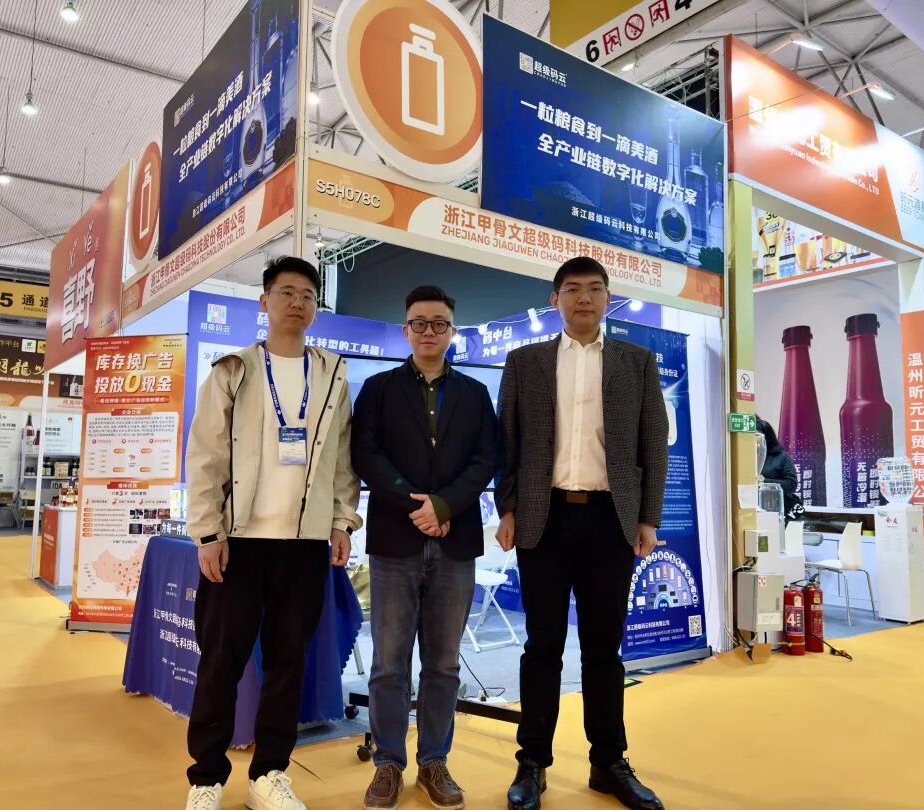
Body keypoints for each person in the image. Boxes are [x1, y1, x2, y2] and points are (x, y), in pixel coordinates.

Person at [183, 256, 362, 810]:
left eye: (307, 295)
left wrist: (341, 521)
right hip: (239, 543)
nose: (297, 303)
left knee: (288, 665)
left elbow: (342, 459)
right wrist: (207, 532)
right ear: (264, 302)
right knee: (221, 663)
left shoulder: (331, 374)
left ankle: (269, 775)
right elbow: (206, 456)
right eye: (286, 292)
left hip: (304, 547)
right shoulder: (233, 369)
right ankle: (206, 778)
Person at [496, 256, 669, 810]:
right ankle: (532, 762)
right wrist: (507, 508)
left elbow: (653, 444)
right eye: (572, 289)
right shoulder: (525, 362)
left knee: (603, 648)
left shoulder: (636, 362)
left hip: (609, 520)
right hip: (542, 519)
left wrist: (648, 518)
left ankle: (608, 762)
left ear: (608, 298)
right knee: (542, 645)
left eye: (595, 289)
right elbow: (507, 443)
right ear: (555, 300)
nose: (584, 298)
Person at [352, 286, 500, 810]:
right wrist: (416, 504)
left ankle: (434, 761)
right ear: (406, 330)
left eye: (439, 323)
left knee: (443, 664)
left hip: (455, 542)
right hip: (394, 540)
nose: (429, 331)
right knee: (389, 664)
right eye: (420, 323)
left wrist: (446, 505)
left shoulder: (475, 394)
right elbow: (365, 455)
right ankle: (388, 763)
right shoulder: (378, 389)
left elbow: (487, 459)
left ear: (452, 330)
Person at [756, 418, 803, 522]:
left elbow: (791, 484)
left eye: (757, 437)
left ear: (767, 438)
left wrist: (763, 481)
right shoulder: (746, 458)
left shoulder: (781, 457)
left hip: (775, 510)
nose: (755, 442)